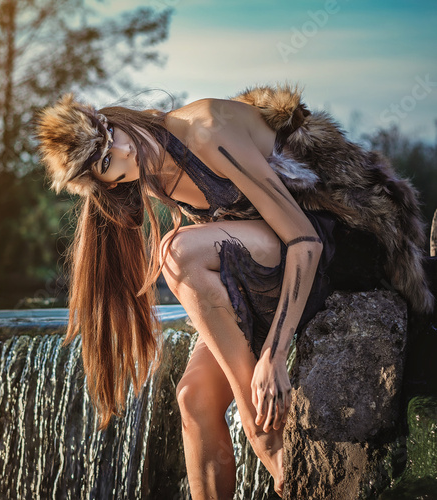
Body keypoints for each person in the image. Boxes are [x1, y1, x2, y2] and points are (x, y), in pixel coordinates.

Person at [35, 85, 433, 499]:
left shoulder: (205, 129)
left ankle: (263, 431)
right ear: (109, 183)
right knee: (194, 400)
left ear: (111, 118)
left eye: (110, 136)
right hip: (272, 261)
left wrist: (274, 356)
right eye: (108, 164)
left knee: (175, 251)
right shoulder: (153, 180)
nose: (125, 154)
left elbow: (304, 240)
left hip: (340, 237)